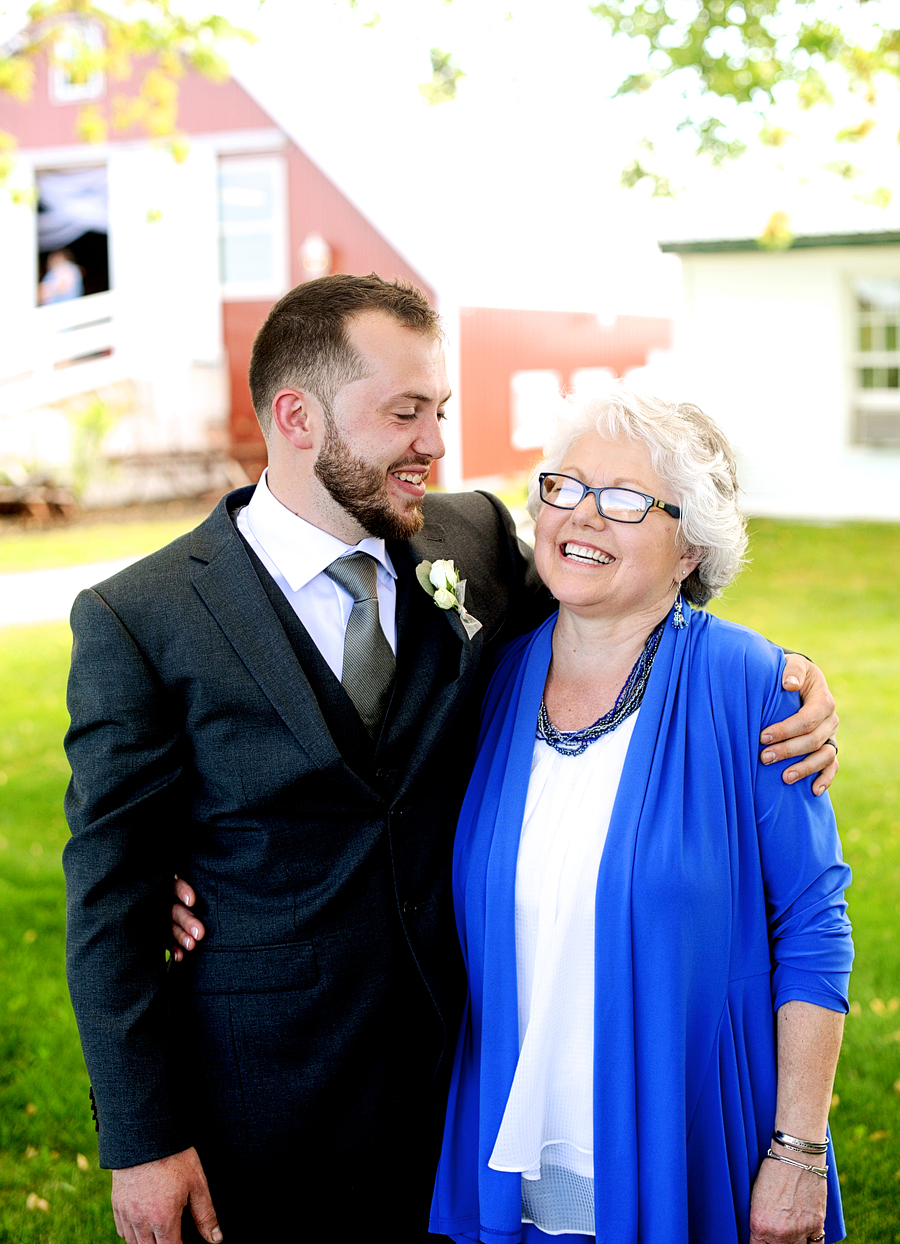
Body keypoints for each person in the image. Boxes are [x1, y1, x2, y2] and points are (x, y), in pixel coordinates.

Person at [64, 273, 838, 1244]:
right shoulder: (143, 619)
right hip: (264, 1109)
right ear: (298, 417)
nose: (435, 440)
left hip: (457, 1096)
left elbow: (626, 593)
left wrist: (785, 676)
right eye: (406, 412)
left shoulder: (467, 540)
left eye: (440, 409)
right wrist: (143, 1139)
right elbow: (108, 901)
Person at [427, 391, 853, 1244]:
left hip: (688, 1122)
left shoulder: (753, 687)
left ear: (690, 544)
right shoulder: (495, 679)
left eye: (625, 500)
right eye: (567, 487)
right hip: (517, 1136)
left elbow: (813, 925)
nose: (584, 516)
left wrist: (799, 1149)